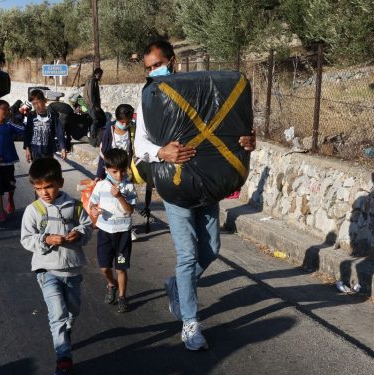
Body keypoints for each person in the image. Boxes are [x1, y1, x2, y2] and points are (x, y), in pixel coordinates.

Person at [134, 40, 256, 351]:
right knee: (187, 255)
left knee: (211, 249)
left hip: (208, 185)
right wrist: (161, 151)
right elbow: (139, 147)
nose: (153, 72)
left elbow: (230, 126)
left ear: (172, 61)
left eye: (157, 65)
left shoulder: (201, 90)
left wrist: (246, 140)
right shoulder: (149, 99)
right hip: (175, 187)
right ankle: (190, 322)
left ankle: (177, 284)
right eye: (148, 68)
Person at [20, 158, 93, 375]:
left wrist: (78, 234)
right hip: (46, 270)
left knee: (73, 310)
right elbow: (26, 239)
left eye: (48, 186)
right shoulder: (33, 211)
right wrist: (46, 239)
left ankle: (66, 328)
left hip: (71, 269)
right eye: (39, 188)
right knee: (57, 314)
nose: (44, 192)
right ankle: (63, 358)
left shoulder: (75, 206)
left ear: (60, 183)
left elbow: (87, 227)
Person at [90, 148, 137, 313]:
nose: (119, 175)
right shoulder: (101, 186)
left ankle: (123, 296)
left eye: (122, 171)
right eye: (114, 171)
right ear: (106, 170)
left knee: (121, 268)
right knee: (104, 267)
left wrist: (119, 197)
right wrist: (94, 210)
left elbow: (129, 210)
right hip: (104, 231)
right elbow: (92, 204)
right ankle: (111, 284)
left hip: (123, 232)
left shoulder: (129, 187)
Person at [23, 89, 67, 163]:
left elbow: (59, 132)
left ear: (44, 101)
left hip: (48, 151)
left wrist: (63, 148)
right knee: (37, 173)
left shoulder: (52, 116)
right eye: (34, 104)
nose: (36, 106)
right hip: (35, 152)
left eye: (38, 102)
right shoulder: (31, 116)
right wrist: (27, 149)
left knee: (48, 172)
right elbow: (28, 133)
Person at [83, 67, 103, 147]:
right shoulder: (93, 80)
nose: (101, 76)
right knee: (94, 121)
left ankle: (93, 138)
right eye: (100, 75)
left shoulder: (89, 80)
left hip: (89, 104)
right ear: (97, 73)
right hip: (92, 105)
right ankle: (93, 139)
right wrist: (95, 106)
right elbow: (91, 94)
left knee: (93, 120)